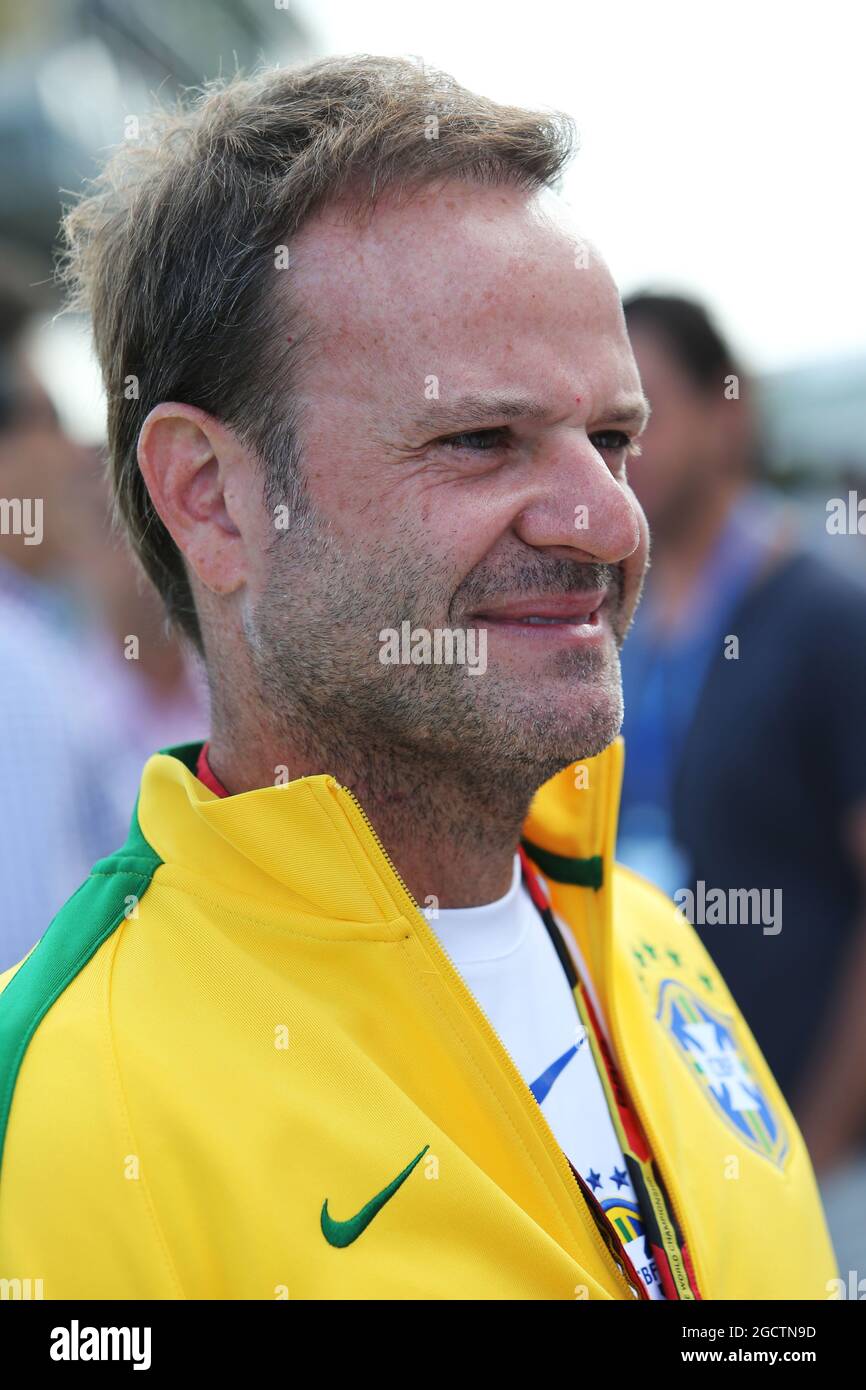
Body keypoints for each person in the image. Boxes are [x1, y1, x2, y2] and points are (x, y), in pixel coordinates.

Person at [0, 57, 837, 1301]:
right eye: (478, 441)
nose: (606, 522)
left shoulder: (645, 942)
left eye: (611, 438)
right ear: (212, 499)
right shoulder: (64, 1101)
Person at [618, 294, 866, 1188]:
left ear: (730, 414)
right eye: (608, 422)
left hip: (810, 1158)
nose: (622, 451)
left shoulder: (828, 620)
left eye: (646, 413)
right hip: (679, 1153)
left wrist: (819, 1147)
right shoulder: (618, 621)